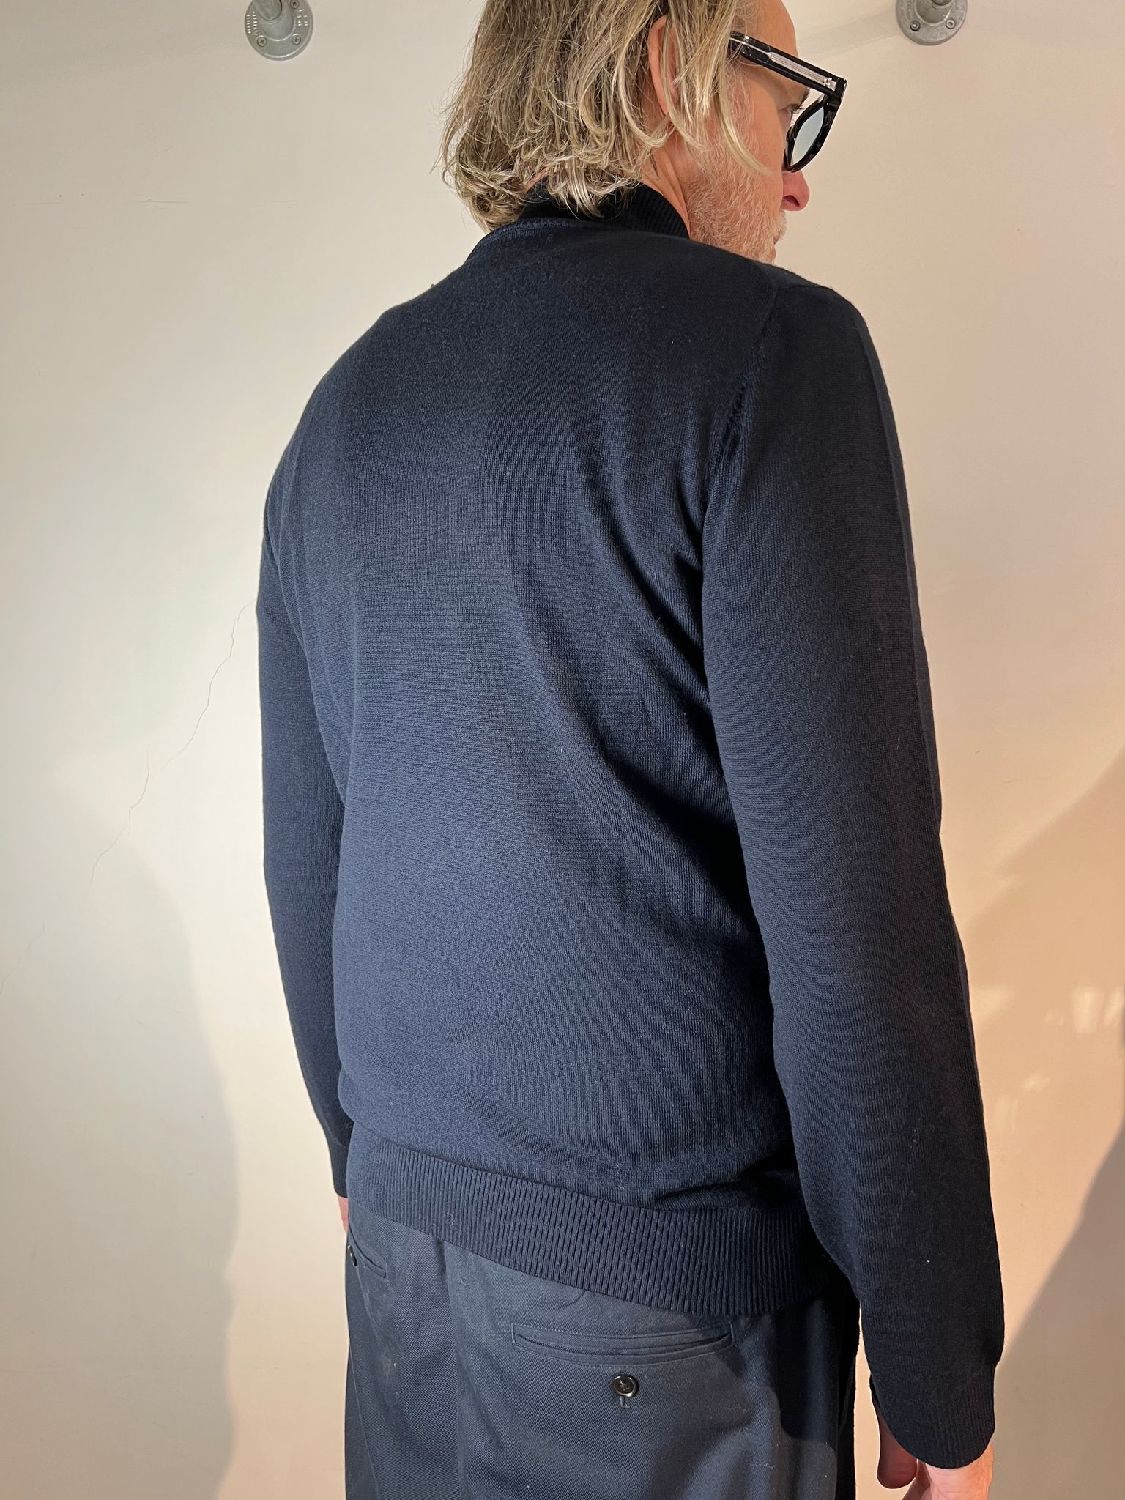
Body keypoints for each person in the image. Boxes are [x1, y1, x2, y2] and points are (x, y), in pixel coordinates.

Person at [255, 3, 1005, 1496]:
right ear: (666, 63)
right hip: (672, 1322)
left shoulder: (345, 406)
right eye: (785, 92)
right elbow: (856, 926)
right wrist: (938, 1374)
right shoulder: (768, 354)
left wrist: (365, 1164)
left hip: (406, 1278)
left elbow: (309, 854)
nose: (797, 174)